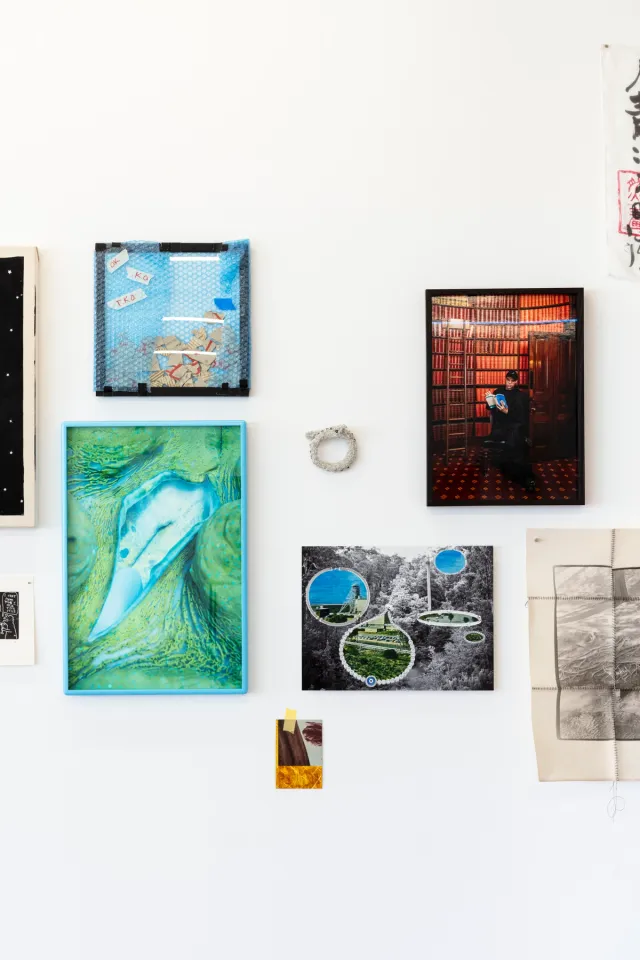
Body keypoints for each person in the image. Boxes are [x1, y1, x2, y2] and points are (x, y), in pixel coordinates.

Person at [485, 370, 536, 491]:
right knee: (517, 440)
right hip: (500, 426)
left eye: (512, 381)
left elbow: (521, 416)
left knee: (516, 438)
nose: (509, 383)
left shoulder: (520, 395)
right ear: (505, 379)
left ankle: (525, 476)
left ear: (516, 382)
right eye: (508, 380)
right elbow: (490, 408)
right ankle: (523, 475)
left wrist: (507, 411)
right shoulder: (498, 391)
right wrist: (489, 399)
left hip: (514, 426)